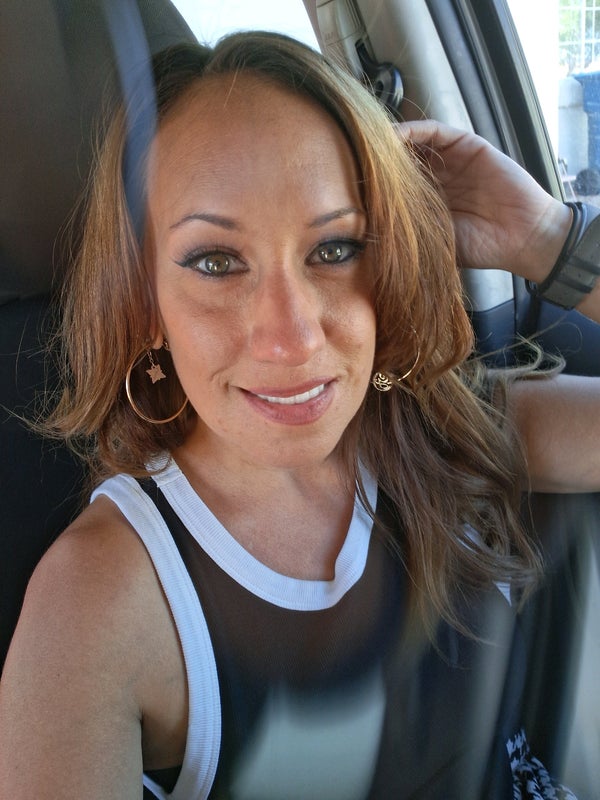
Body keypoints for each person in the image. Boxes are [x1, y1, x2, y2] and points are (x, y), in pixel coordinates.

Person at [0, 31, 598, 799]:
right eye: (217, 262)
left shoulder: (453, 430)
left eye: (335, 248)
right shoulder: (98, 606)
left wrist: (550, 240)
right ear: (144, 304)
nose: (292, 337)